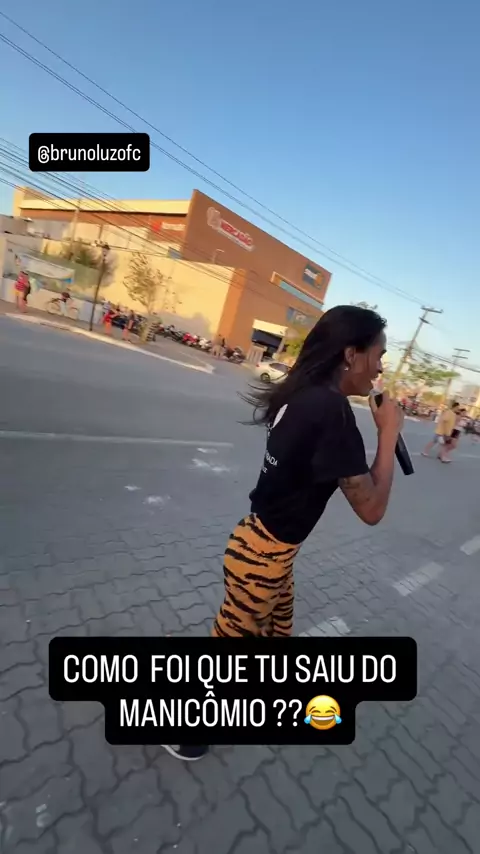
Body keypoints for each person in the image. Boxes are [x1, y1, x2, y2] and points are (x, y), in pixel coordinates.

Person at [161, 305, 403, 762]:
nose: (380, 368)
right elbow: (372, 508)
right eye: (379, 355)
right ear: (351, 354)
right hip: (262, 558)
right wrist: (388, 434)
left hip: (261, 543)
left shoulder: (303, 393)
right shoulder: (332, 413)